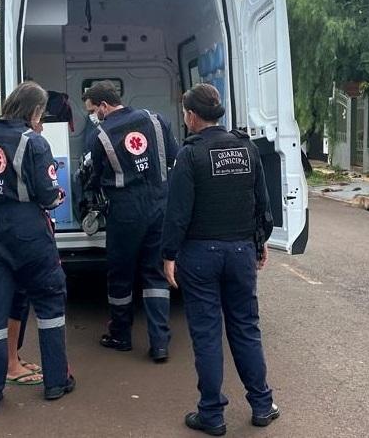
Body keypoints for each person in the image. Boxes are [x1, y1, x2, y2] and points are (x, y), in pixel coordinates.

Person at [161, 83, 280, 435]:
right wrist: (260, 242)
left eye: (184, 113)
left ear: (193, 116)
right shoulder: (247, 148)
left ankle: (212, 415)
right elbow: (262, 203)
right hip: (241, 250)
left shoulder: (190, 155)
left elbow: (177, 212)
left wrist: (169, 254)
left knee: (207, 334)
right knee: (245, 328)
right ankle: (262, 404)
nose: (184, 119)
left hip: (199, 255)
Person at [0, 81, 75, 411]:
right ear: (34, 112)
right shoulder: (34, 142)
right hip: (28, 233)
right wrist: (55, 196)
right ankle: (55, 382)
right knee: (49, 302)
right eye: (41, 114)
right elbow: (48, 195)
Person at [82, 81, 179, 362]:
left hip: (125, 211)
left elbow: (94, 176)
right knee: (155, 274)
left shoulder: (99, 136)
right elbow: (174, 158)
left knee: (121, 275)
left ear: (103, 106)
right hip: (160, 205)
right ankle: (160, 342)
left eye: (92, 110)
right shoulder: (157, 120)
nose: (93, 116)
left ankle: (121, 336)